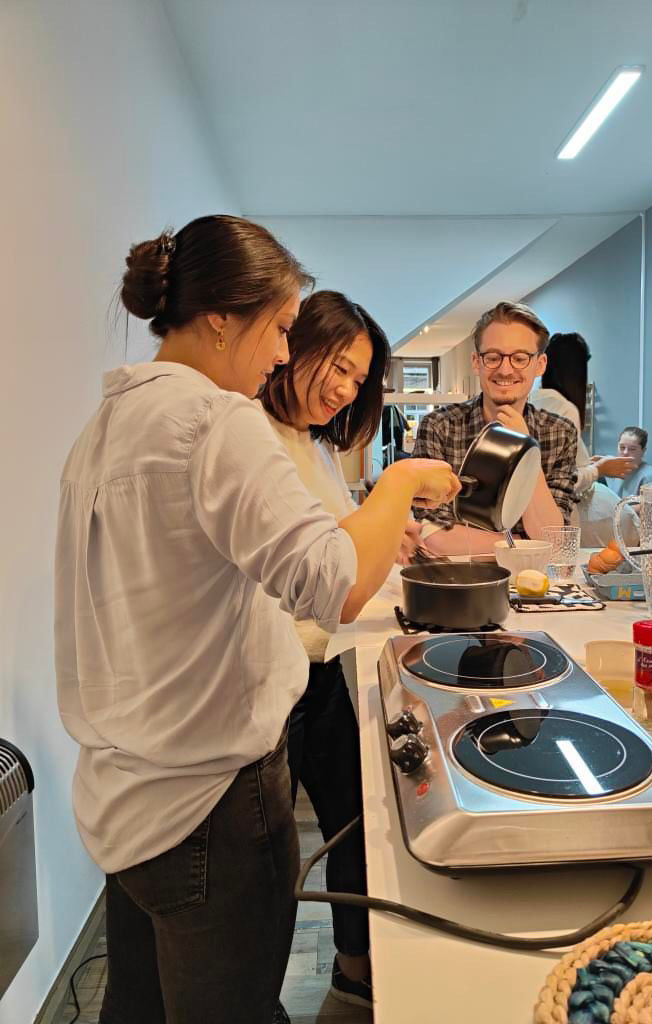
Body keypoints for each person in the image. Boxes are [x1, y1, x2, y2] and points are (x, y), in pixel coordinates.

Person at [54, 215, 459, 1024]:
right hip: (210, 797)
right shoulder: (215, 421)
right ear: (219, 316)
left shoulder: (103, 427)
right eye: (278, 326)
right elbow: (333, 584)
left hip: (122, 790)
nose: (282, 351)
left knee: (137, 1007)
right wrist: (402, 476)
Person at [261, 290, 392, 1009]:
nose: (343, 388)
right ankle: (257, 994)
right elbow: (328, 586)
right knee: (267, 861)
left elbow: (342, 550)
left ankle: (354, 968)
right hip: (276, 682)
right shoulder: (252, 439)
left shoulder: (315, 446)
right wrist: (396, 492)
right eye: (336, 366)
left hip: (324, 670)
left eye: (356, 378)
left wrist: (384, 533)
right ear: (290, 345)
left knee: (356, 826)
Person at [411, 302, 578, 554]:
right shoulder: (440, 426)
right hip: (458, 582)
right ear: (476, 362)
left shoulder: (559, 432)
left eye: (520, 358)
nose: (505, 369)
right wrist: (523, 544)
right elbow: (434, 535)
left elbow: (553, 540)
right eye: (493, 357)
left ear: (540, 364)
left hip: (529, 583)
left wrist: (526, 448)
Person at [531, 332, 637, 544]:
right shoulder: (564, 409)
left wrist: (588, 463)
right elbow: (566, 481)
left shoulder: (532, 400)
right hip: (561, 516)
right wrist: (600, 469)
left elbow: (549, 466)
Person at [607, 426, 652, 498]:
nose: (625, 452)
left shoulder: (649, 477)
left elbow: (651, 507)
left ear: (643, 451)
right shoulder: (614, 470)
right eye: (622, 447)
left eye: (632, 449)